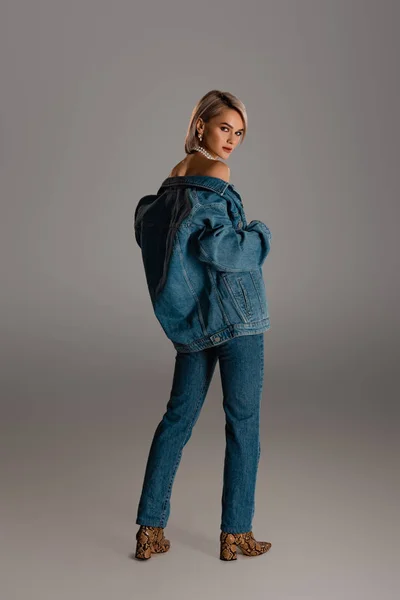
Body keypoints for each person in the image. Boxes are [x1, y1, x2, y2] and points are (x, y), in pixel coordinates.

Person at [133, 90, 273, 561]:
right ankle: (235, 534)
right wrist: (260, 235)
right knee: (244, 425)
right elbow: (222, 251)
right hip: (236, 319)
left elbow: (153, 238)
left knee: (176, 420)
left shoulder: (174, 178)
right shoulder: (217, 174)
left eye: (238, 133)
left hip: (196, 323)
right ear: (201, 127)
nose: (231, 140)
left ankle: (149, 529)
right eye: (223, 128)